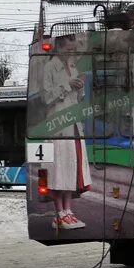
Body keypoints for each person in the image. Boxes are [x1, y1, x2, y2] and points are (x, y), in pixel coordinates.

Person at [40, 36, 92, 231]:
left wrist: (79, 89)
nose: (71, 53)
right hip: (58, 126)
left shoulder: (73, 66)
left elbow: (76, 98)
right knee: (59, 169)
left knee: (71, 168)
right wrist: (68, 85)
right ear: (59, 47)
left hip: (73, 124)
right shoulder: (50, 67)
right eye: (68, 49)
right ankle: (59, 212)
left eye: (73, 49)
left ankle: (68, 211)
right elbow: (46, 97)